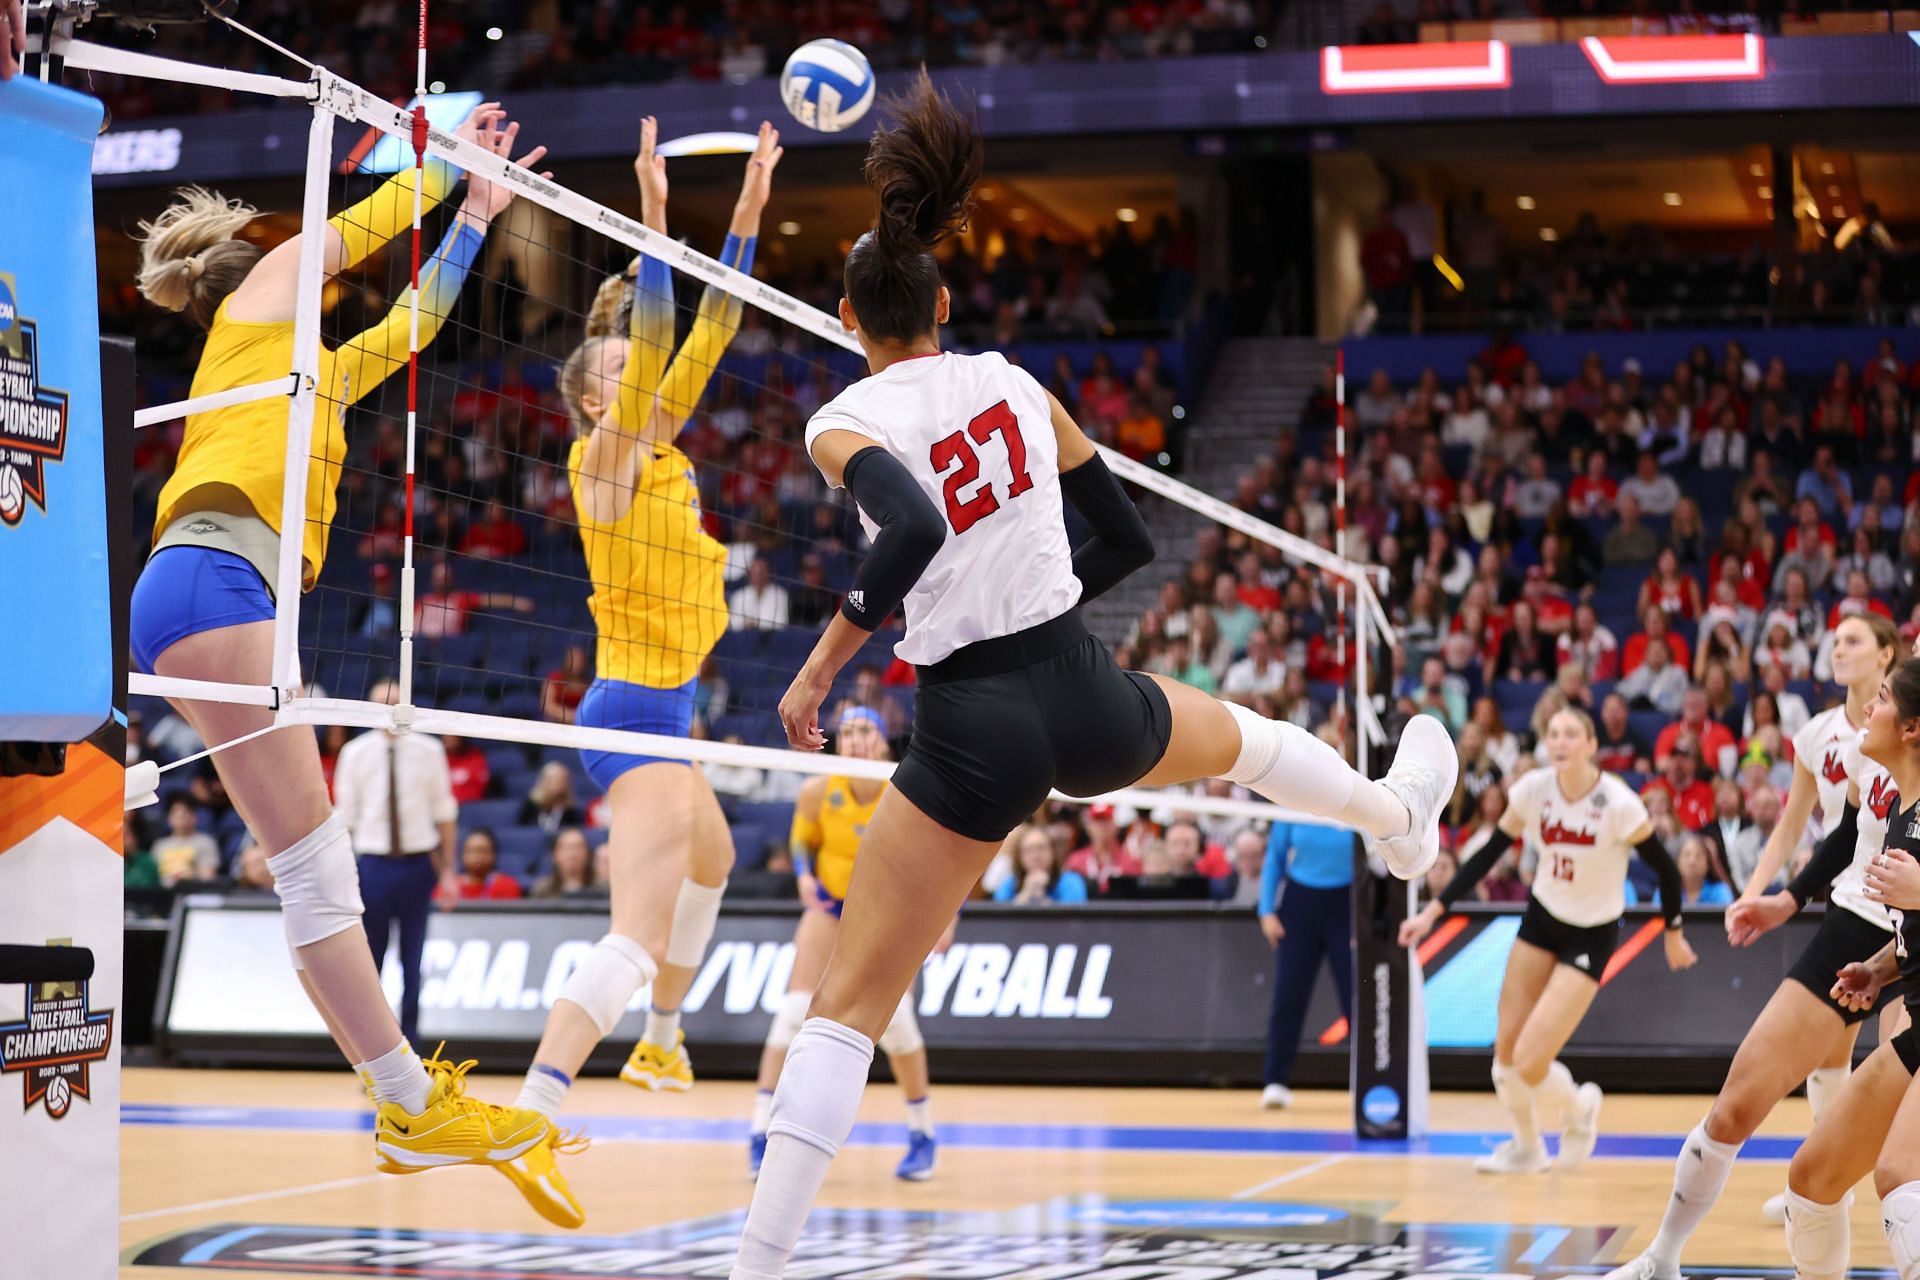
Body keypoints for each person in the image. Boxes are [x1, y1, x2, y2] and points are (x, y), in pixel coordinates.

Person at [731, 76, 1457, 1280]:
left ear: (850, 315)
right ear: (947, 299)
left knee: (846, 1004)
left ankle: (758, 1264)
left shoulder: (844, 415)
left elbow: (905, 530)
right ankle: (1397, 821)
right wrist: (1046, 611)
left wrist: (817, 672)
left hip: (970, 720)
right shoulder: (1015, 382)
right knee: (1255, 742)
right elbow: (1120, 537)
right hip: (1078, 679)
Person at [123, 104, 561, 1200]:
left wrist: (477, 218)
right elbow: (350, 230)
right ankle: (409, 1101)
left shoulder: (306, 364)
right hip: (217, 575)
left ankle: (405, 1095)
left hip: (219, 588)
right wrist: (445, 167)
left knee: (310, 869)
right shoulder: (259, 304)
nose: (314, 263)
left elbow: (413, 323)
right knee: (315, 868)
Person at [506, 118, 782, 1224]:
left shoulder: (658, 441)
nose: (646, 378)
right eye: (623, 370)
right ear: (591, 398)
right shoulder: (604, 456)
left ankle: (663, 1044)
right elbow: (667, 320)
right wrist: (655, 211)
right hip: (631, 710)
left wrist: (755, 199)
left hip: (665, 706)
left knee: (713, 856)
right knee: (632, 927)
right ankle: (534, 1110)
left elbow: (716, 313)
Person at [1601, 628, 1907, 1279]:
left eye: (1855, 639)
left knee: (1896, 1169)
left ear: (1888, 652)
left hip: (1913, 944)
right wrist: (1787, 899)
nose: (1838, 648)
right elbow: (1845, 831)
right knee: (1743, 1109)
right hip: (1857, 929)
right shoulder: (1855, 738)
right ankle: (1662, 1256)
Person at [1402, 708, 1695, 1176]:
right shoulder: (1533, 791)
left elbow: (1666, 868)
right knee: (1505, 1058)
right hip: (1541, 921)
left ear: (1591, 744)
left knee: (1531, 1062)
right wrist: (1434, 911)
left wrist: (1673, 931)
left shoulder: (1617, 802)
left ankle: (1579, 1110)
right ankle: (1527, 1146)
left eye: (1570, 734)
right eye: (1553, 733)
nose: (1559, 742)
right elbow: (1487, 857)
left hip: (1593, 933)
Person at [1765, 659, 1920, 1280]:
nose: (1865, 709)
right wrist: (1880, 969)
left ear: (1910, 729)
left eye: (1880, 698)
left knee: (1900, 1178)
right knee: (1810, 1182)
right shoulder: (1900, 813)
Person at [752, 707, 945, 1180]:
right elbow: (802, 842)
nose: (858, 740)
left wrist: (946, 919)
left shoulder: (906, 792)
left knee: (898, 1028)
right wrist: (801, 876)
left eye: (867, 732)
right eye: (852, 732)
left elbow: (939, 859)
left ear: (882, 743)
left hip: (886, 915)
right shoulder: (819, 789)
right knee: (790, 1018)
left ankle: (922, 1134)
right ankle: (761, 1131)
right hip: (828, 909)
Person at [331, 681, 460, 1041]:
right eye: (380, 703)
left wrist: (448, 871)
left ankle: (412, 1046)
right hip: (372, 865)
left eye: (393, 701)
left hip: (418, 865)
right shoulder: (354, 754)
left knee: (413, 960)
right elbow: (346, 820)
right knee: (370, 961)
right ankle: (375, 1049)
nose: (386, 709)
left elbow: (444, 812)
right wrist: (344, 875)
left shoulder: (429, 750)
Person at [1256, 818, 1353, 1110]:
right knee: (1289, 997)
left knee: (1354, 998)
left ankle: (1367, 1080)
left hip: (1346, 905)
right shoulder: (1294, 799)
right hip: (1300, 905)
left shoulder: (1356, 790)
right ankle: (1275, 1081)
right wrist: (1266, 911)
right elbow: (1274, 857)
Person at [995, 822, 1091, 904]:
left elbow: (1072, 919)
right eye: (1028, 850)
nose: (1035, 856)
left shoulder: (1071, 882)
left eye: (1041, 848)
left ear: (1053, 852)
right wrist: (1027, 893)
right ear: (1019, 857)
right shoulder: (1008, 884)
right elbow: (1000, 921)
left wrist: (1041, 897)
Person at [150, 797, 222, 885]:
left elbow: (208, 876)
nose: (181, 817)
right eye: (176, 814)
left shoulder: (205, 842)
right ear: (169, 818)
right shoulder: (160, 845)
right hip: (162, 894)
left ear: (194, 817)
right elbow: (151, 876)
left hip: (194, 892)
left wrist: (190, 875)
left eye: (185, 814)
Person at [446, 829, 524, 900]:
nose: (475, 856)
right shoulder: (448, 887)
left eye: (481, 851)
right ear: (463, 855)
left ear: (493, 855)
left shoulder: (508, 886)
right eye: (470, 851)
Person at [532, 828, 600, 898]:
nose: (572, 854)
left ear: (588, 854)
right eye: (567, 848)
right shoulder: (542, 890)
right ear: (555, 855)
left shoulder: (601, 888)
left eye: (578, 847)